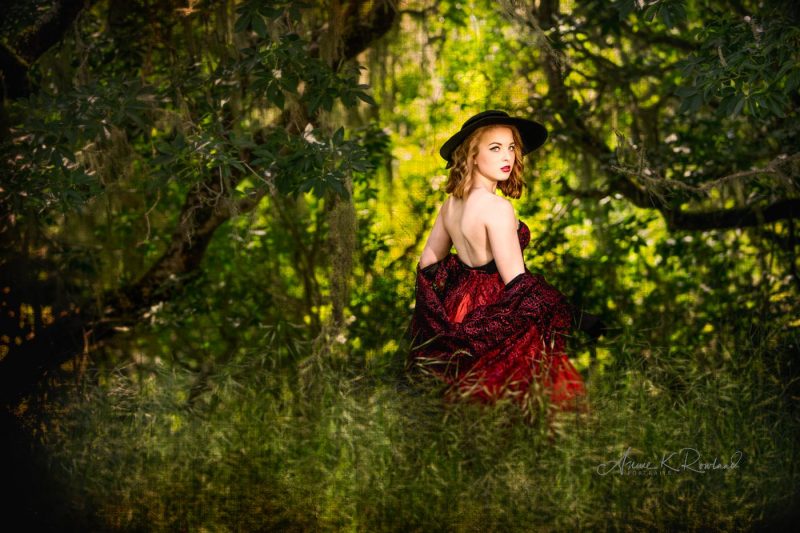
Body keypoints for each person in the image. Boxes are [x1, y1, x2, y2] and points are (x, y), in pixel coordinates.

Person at [406, 110, 603, 412]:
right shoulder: (497, 208)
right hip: (497, 308)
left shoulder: (451, 205)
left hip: (460, 308)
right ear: (471, 155)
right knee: (526, 396)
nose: (507, 156)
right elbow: (518, 283)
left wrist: (455, 293)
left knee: (468, 401)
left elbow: (428, 263)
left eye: (511, 147)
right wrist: (577, 317)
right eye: (494, 148)